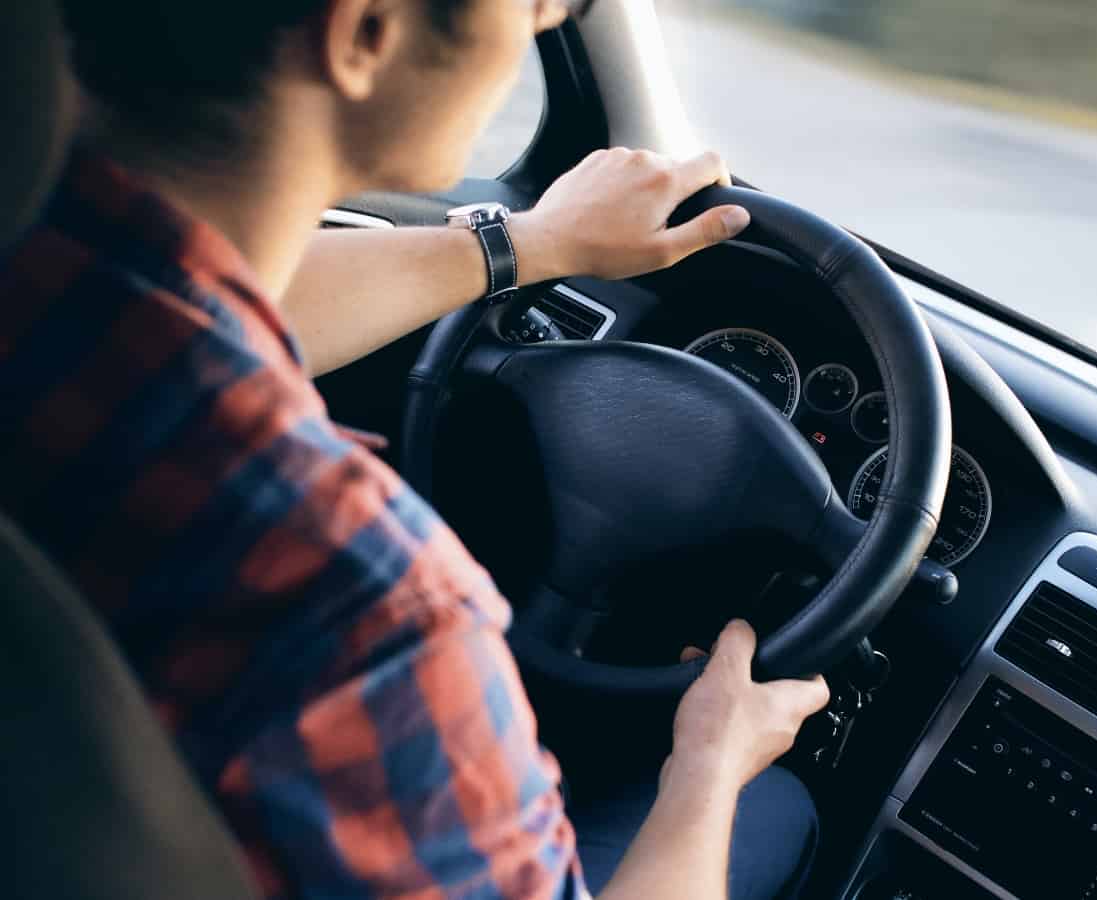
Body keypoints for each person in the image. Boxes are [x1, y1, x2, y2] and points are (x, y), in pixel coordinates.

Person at [0, 1, 830, 897]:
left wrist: (535, 242)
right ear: (365, 32)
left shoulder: (47, 270)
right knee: (773, 808)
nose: (546, 15)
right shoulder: (360, 609)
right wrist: (708, 763)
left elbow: (212, 306)